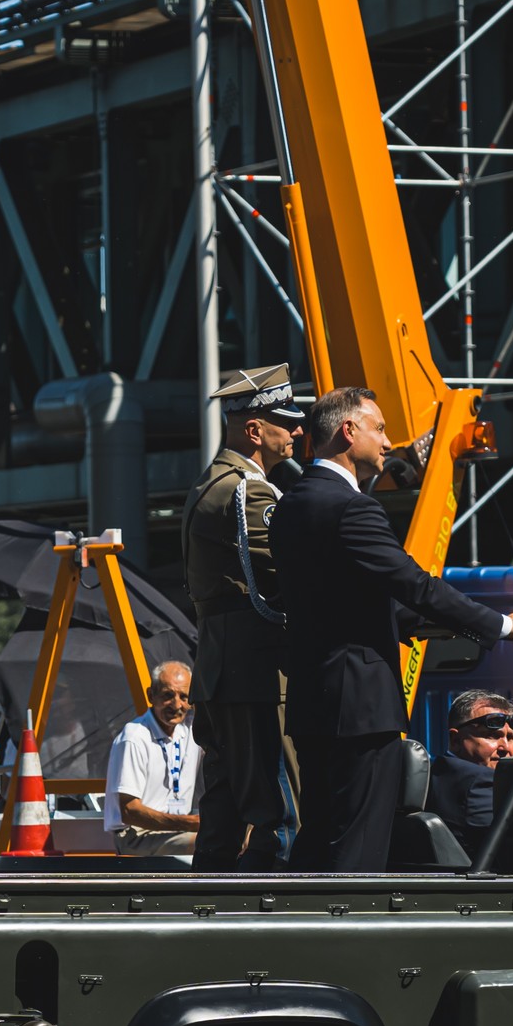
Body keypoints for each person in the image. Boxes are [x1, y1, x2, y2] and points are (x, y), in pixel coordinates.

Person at [269, 386, 513, 872]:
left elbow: (344, 595)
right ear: (347, 431)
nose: (387, 441)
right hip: (362, 706)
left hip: (314, 701)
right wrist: (501, 624)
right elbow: (414, 585)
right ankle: (348, 924)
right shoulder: (352, 507)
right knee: (359, 848)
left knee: (319, 839)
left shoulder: (291, 505)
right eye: (378, 428)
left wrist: (427, 624)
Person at [182, 363, 307, 872]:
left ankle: (209, 907)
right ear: (255, 430)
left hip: (224, 670)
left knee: (225, 813)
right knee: (282, 815)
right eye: (286, 421)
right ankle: (280, 911)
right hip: (255, 673)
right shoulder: (247, 491)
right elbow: (294, 572)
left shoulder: (213, 483)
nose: (297, 430)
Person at [103, 661, 204, 857]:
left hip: (177, 829)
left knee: (240, 838)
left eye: (184, 697)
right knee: (210, 843)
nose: (177, 705)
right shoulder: (134, 737)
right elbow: (130, 811)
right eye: (168, 695)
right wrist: (190, 823)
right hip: (136, 835)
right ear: (151, 696)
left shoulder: (190, 730)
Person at [427, 690, 513, 856]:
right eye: (492, 736)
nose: (505, 747)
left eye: (510, 738)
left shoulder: (432, 774)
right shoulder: (481, 782)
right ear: (455, 740)